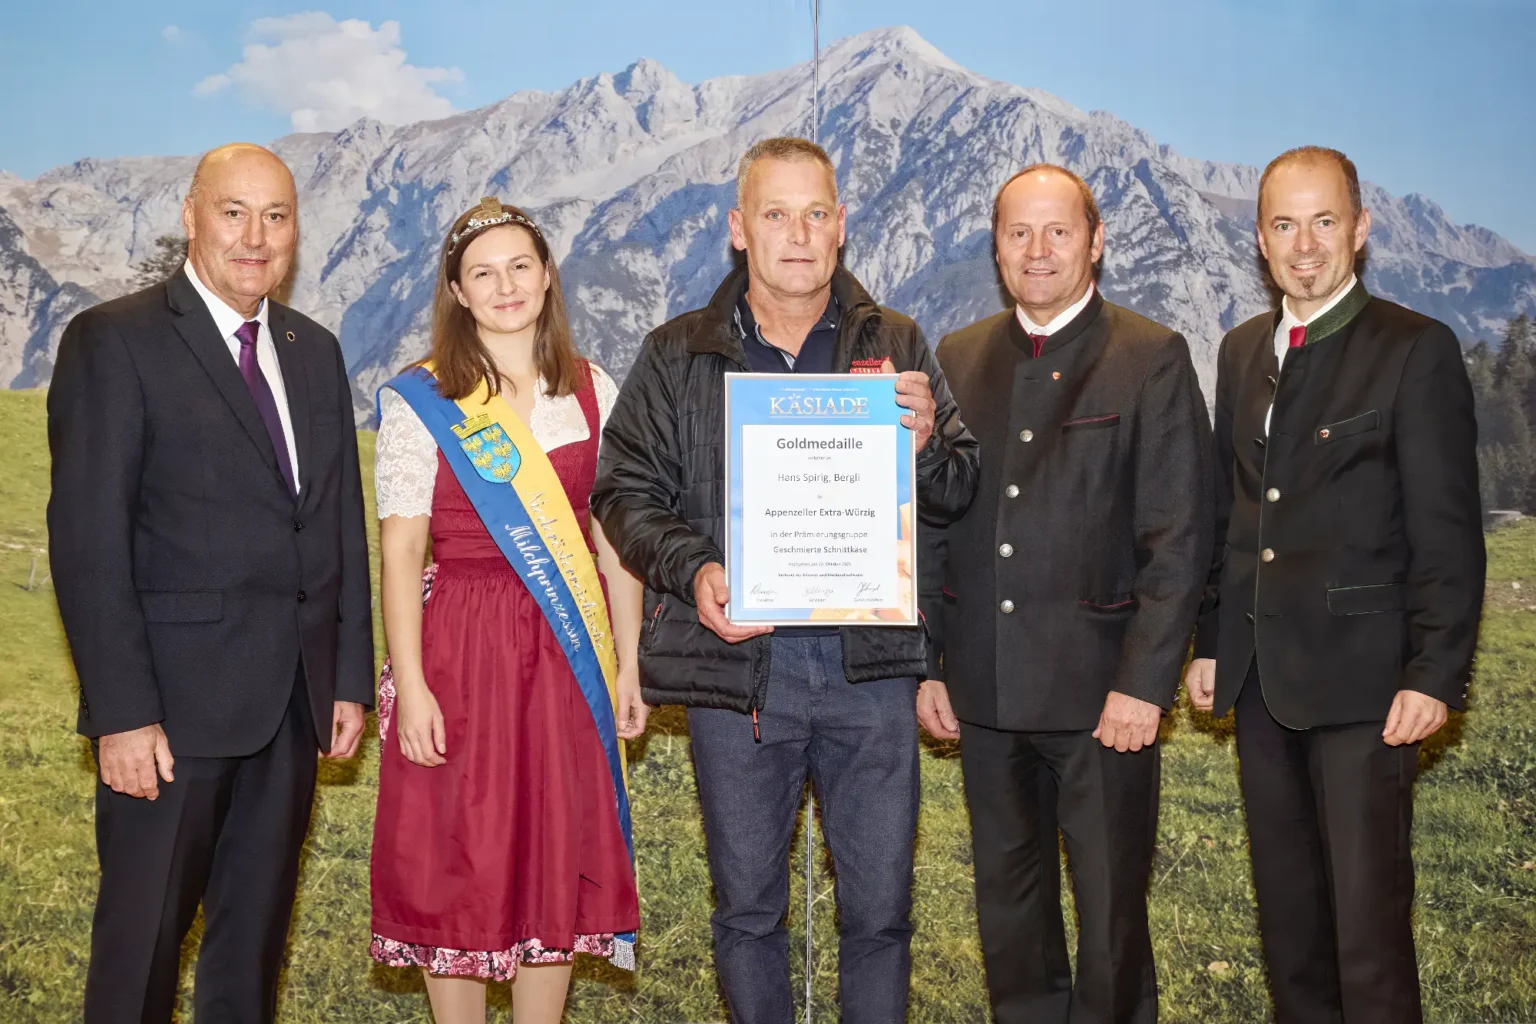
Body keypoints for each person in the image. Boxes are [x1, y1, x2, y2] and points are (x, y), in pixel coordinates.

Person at [590, 137, 978, 1023]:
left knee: (879, 916)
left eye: (815, 214)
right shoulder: (675, 352)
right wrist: (695, 572)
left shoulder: (899, 341)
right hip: (739, 674)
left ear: (841, 228)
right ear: (738, 229)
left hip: (870, 672)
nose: (796, 234)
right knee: (749, 915)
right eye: (775, 213)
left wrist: (923, 447)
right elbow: (622, 491)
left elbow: (959, 487)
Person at [46, 143, 374, 1023]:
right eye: (234, 212)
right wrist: (120, 710)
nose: (256, 237)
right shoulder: (114, 339)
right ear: (191, 216)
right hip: (168, 718)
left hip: (293, 709)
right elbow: (88, 541)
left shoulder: (314, 350)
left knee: (249, 958)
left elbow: (336, 522)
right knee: (138, 958)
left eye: (276, 216)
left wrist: (345, 679)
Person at [1184, 146, 1484, 1024]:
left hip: (1367, 685)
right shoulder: (1242, 350)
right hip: (1261, 681)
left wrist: (1434, 674)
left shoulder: (1414, 348)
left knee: (1367, 934)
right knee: (1291, 931)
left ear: (1360, 229)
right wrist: (1209, 642)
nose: (1305, 245)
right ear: (1260, 240)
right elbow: (1231, 512)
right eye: (1284, 224)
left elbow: (1447, 531)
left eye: (1324, 222)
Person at [917, 164, 1212, 1024]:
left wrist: (1144, 684)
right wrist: (930, 663)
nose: (1038, 251)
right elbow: (937, 520)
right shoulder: (960, 356)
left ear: (1096, 240)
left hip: (1102, 697)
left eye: (1058, 232)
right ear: (996, 248)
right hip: (982, 688)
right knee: (1009, 912)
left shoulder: (1150, 356)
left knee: (1111, 913)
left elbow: (1177, 538)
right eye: (1018, 233)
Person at [368, 197, 645, 1024]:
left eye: (520, 265)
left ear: (548, 274)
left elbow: (611, 541)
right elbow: (401, 552)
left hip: (567, 652)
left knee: (548, 850)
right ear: (456, 292)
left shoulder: (593, 389)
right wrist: (410, 685)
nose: (505, 286)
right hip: (459, 647)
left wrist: (629, 660)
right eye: (482, 273)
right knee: (460, 854)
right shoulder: (423, 400)